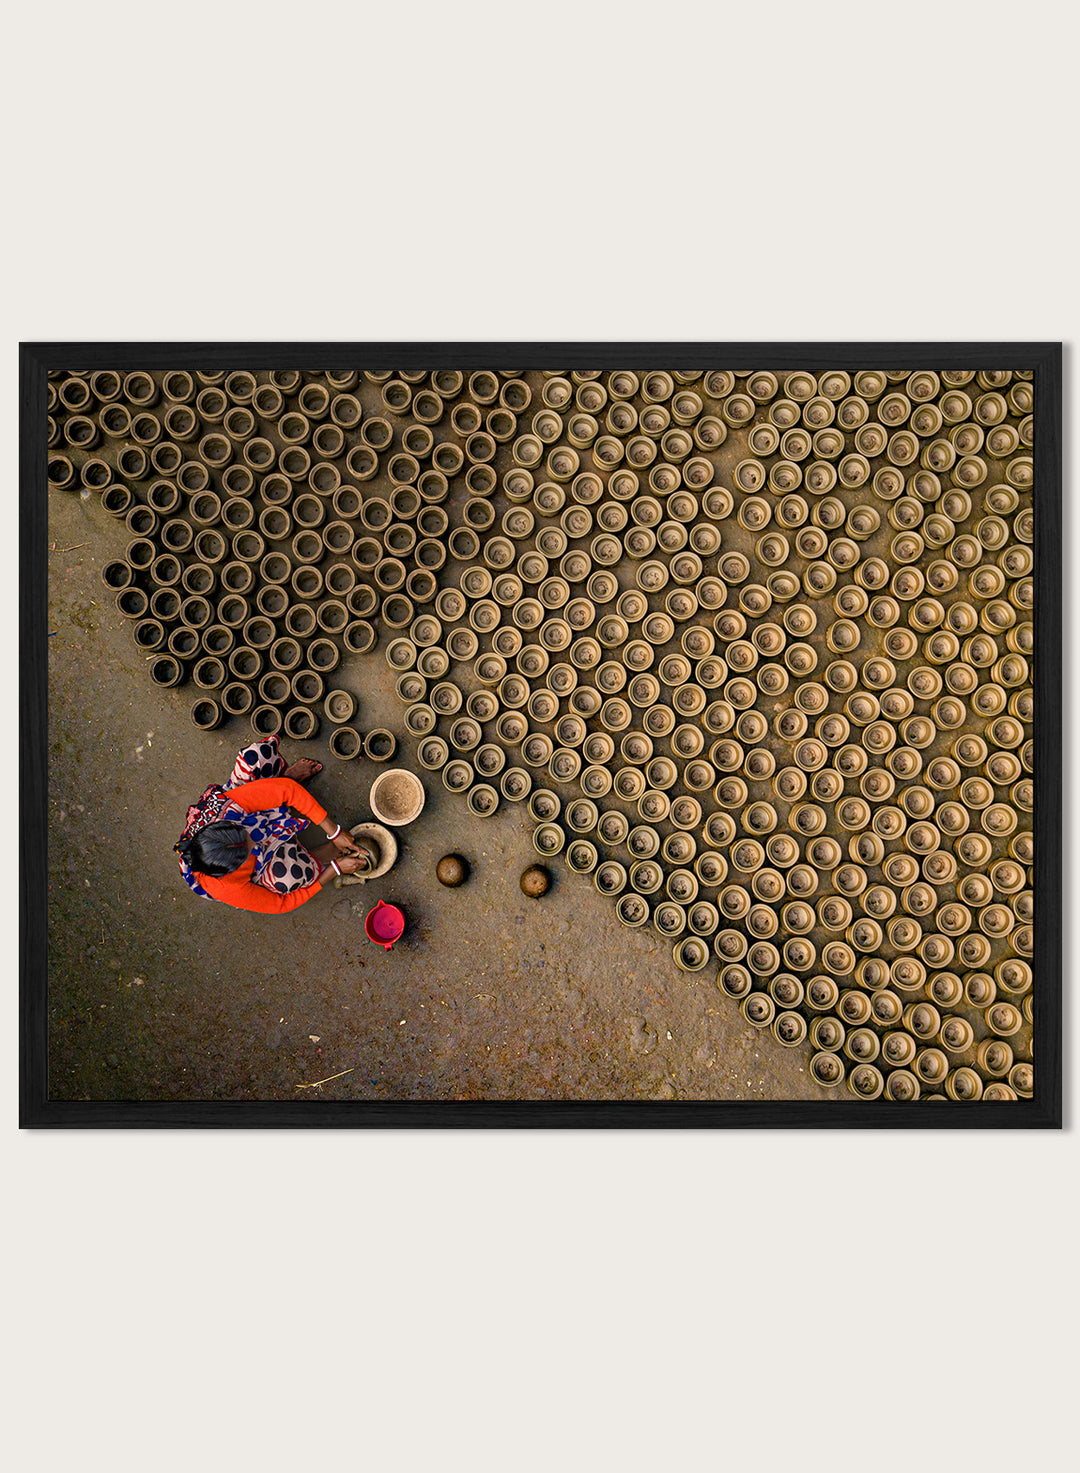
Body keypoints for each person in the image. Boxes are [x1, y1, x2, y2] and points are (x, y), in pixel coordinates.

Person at [175, 734, 366, 912]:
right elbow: (282, 904)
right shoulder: (226, 887)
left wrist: (334, 832)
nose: (256, 840)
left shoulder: (225, 811)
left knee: (257, 756)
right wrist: (335, 870)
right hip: (262, 858)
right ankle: (319, 856)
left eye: (246, 834)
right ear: (235, 867)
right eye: (250, 848)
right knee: (292, 877)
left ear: (225, 824)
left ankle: (284, 780)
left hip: (248, 813)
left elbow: (288, 791)